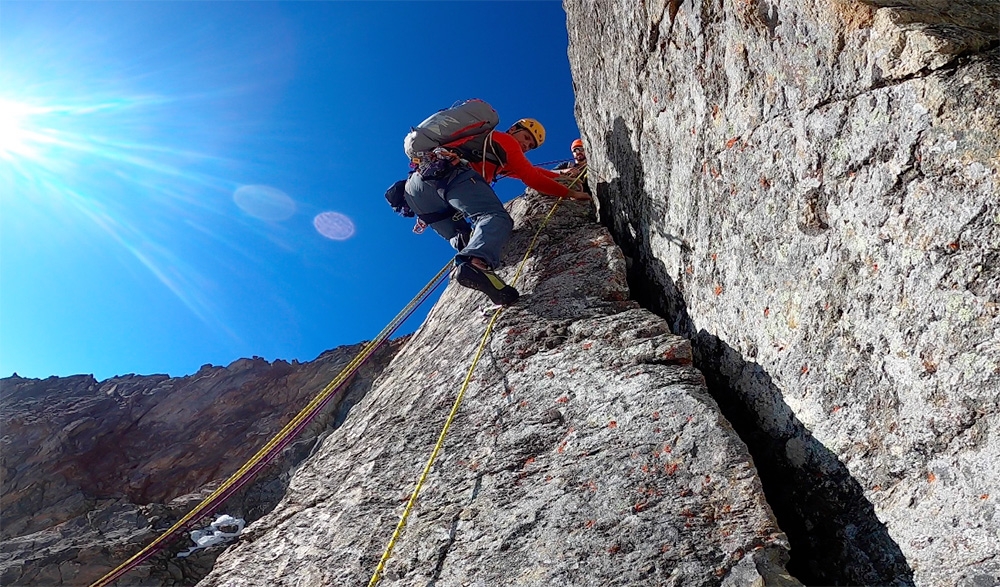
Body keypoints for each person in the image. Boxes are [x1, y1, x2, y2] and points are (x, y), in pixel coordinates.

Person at [403, 118, 590, 305]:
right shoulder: (503, 140)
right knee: (495, 217)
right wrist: (570, 192)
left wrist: (563, 174)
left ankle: (476, 265)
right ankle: (475, 264)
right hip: (451, 175)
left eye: (530, 146)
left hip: (418, 190)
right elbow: (531, 178)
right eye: (525, 137)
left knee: (463, 238)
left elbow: (532, 171)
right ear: (513, 129)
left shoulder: (496, 154)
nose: (525, 145)